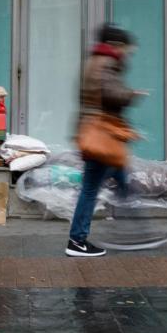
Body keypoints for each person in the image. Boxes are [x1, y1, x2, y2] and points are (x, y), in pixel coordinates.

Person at [66, 24, 138, 258]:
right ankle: (77, 240)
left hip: (97, 132)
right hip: (101, 134)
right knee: (91, 189)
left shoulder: (95, 61)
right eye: (127, 48)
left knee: (122, 179)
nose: (128, 52)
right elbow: (111, 94)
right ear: (116, 45)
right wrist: (130, 94)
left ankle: (139, 230)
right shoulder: (106, 63)